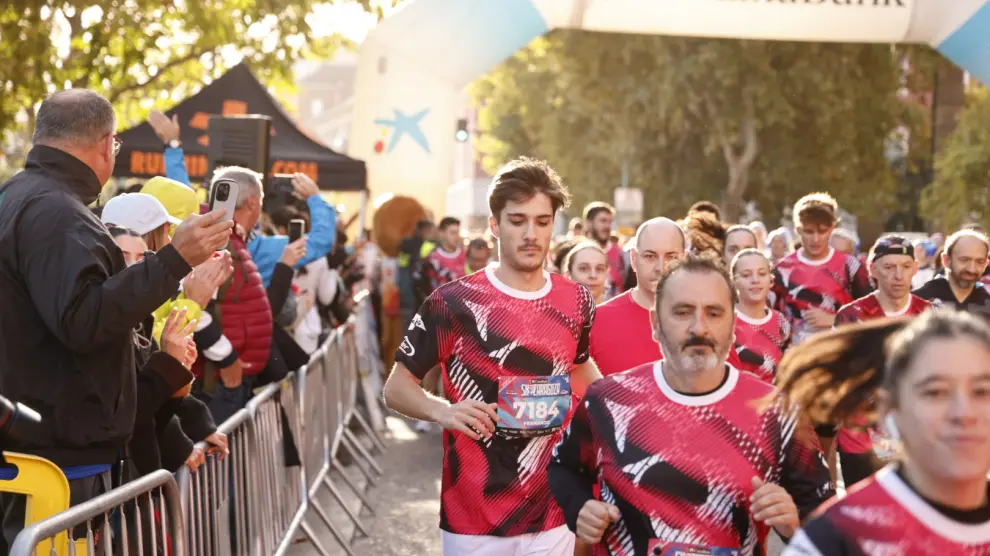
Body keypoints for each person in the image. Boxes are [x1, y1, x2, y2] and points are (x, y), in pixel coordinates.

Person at [0, 89, 231, 546]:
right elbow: (84, 320)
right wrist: (172, 261)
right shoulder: (57, 214)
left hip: (40, 444)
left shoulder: (19, 198)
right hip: (59, 460)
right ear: (107, 145)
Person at [383, 157, 602, 556]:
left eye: (541, 221)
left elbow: (580, 368)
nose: (531, 233)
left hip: (551, 510)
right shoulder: (452, 303)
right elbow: (396, 388)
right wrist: (442, 412)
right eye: (518, 220)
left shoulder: (577, 300)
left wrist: (618, 413)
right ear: (495, 225)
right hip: (473, 518)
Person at [549, 253, 833, 556]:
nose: (699, 328)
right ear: (656, 323)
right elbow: (562, 467)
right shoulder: (607, 399)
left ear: (733, 324)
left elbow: (825, 519)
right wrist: (580, 507)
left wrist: (794, 527)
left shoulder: (778, 411)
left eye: (714, 313)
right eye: (683, 312)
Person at [777, 311, 990, 555]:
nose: (964, 413)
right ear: (889, 408)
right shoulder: (837, 537)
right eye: (936, 392)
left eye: (982, 391)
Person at [831, 235, 931, 488]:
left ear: (915, 269)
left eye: (906, 266)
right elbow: (839, 376)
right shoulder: (851, 316)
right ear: (873, 270)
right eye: (888, 267)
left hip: (912, 438)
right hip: (860, 439)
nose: (898, 275)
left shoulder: (930, 314)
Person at [772, 193, 872, 346]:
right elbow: (767, 316)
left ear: (831, 229)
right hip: (796, 358)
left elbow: (871, 311)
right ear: (798, 230)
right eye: (809, 231)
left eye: (822, 231)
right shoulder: (782, 269)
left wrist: (834, 319)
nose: (816, 239)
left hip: (839, 354)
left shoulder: (850, 266)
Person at [589, 218, 683, 376]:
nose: (661, 267)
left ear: (684, 259)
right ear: (633, 259)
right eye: (650, 256)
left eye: (671, 257)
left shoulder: (708, 324)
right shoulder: (596, 322)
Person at [730, 248, 790, 384]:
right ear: (733, 281)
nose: (755, 280)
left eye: (762, 274)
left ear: (771, 280)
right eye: (746, 275)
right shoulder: (725, 321)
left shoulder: (781, 322)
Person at [914, 229, 990, 319]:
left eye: (979, 261)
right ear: (946, 260)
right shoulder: (918, 302)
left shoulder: (987, 304)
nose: (972, 269)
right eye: (964, 260)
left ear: (985, 264)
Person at [397, 219, 436, 327]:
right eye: (430, 230)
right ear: (424, 230)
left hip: (410, 286)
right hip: (416, 286)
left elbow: (402, 263)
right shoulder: (427, 245)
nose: (431, 233)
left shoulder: (406, 243)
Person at [583, 202, 624, 298]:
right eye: (603, 221)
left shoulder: (622, 255)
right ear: (588, 223)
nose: (607, 226)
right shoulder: (574, 253)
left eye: (610, 222)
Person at [422, 216, 467, 294]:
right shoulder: (432, 258)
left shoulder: (465, 254)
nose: (457, 236)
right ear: (442, 233)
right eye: (453, 233)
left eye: (458, 232)